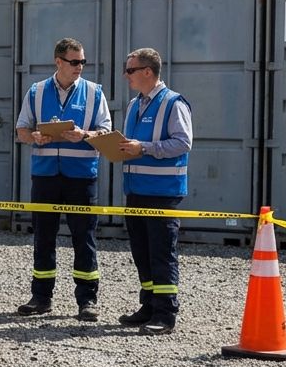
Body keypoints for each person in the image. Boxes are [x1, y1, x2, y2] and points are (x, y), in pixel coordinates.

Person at [14, 37, 111, 320]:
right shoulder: (36, 92)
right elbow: (21, 130)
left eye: (82, 61)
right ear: (58, 62)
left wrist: (85, 135)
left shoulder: (95, 93)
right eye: (74, 62)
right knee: (43, 237)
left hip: (81, 178)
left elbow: (106, 132)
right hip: (44, 177)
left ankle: (87, 301)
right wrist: (33, 136)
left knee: (84, 238)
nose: (80, 67)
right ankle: (41, 297)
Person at [117, 47, 192, 335]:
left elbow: (183, 143)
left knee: (161, 254)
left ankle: (165, 313)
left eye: (131, 70)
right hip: (136, 190)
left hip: (162, 192)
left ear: (148, 72)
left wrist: (143, 148)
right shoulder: (135, 105)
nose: (126, 75)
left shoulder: (174, 103)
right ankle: (148, 305)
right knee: (142, 253)